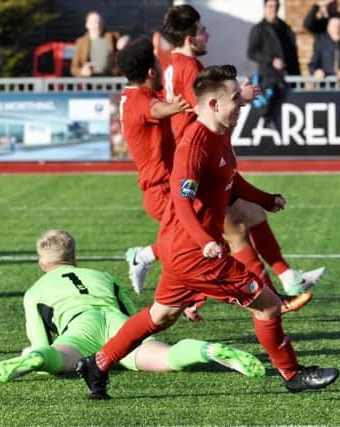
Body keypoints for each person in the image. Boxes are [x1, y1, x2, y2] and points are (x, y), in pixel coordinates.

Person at [76, 65, 340, 400]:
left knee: (162, 314)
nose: (240, 105)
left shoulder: (220, 134)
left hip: (179, 249)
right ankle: (292, 374)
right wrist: (205, 242)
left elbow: (231, 178)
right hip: (194, 253)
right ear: (213, 104)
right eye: (234, 99)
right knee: (269, 307)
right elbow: (182, 201)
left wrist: (266, 199)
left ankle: (97, 363)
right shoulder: (193, 147)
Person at [127, 4, 323, 320]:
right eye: (203, 30)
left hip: (205, 160)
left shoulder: (177, 65)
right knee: (232, 235)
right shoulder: (189, 68)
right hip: (199, 164)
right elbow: (205, 111)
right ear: (190, 37)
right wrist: (241, 97)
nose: (207, 34)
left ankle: (285, 278)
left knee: (253, 214)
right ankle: (271, 298)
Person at [0, 229, 265, 386]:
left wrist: (37, 353)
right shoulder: (102, 276)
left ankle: (32, 360)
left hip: (80, 327)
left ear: (41, 263)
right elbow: (135, 319)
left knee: (50, 357)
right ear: (74, 257)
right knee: (165, 357)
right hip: (117, 321)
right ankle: (206, 350)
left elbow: (39, 338)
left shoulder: (35, 291)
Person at [247, 0, 300, 125]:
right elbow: (251, 52)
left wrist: (298, 76)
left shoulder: (285, 28)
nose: (273, 9)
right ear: (265, 8)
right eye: (270, 6)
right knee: (269, 111)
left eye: (276, 6)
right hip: (268, 79)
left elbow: (293, 54)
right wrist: (271, 60)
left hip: (288, 77)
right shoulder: (258, 29)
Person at [71, 11, 119, 77]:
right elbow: (74, 68)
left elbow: (126, 40)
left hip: (110, 80)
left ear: (103, 24)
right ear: (87, 24)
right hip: (90, 82)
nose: (97, 25)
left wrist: (125, 40)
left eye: (99, 22)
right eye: (93, 22)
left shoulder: (111, 37)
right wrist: (82, 71)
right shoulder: (81, 42)